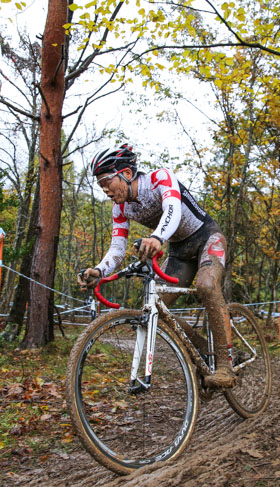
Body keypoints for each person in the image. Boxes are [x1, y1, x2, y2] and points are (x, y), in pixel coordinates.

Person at [78, 143, 235, 388]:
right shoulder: (120, 207)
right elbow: (118, 248)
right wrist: (99, 270)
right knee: (156, 308)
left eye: (107, 181)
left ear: (127, 174)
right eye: (100, 184)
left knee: (207, 286)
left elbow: (171, 210)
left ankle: (226, 366)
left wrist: (157, 238)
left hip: (207, 238)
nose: (105, 189)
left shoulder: (159, 178)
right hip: (179, 251)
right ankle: (203, 347)